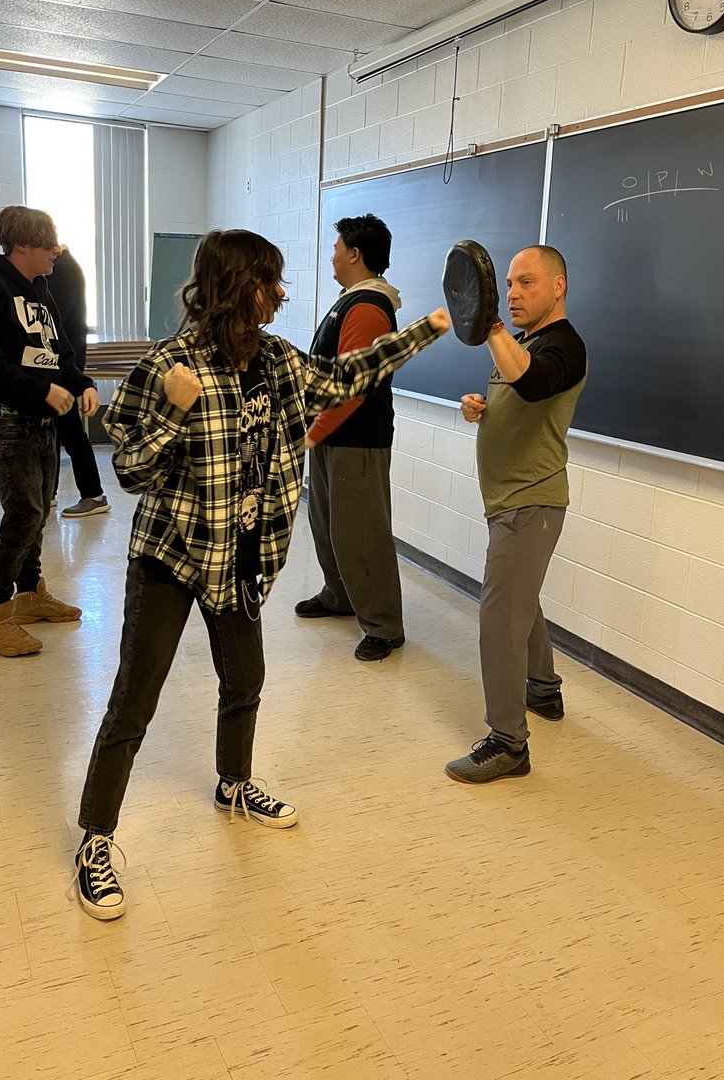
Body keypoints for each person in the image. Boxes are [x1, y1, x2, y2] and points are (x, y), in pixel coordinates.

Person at [71, 228, 449, 921]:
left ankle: (233, 784)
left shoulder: (277, 361)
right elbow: (129, 471)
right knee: (134, 699)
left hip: (242, 556)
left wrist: (424, 331)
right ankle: (95, 838)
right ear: (236, 288)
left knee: (245, 680)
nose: (281, 294)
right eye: (269, 281)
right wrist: (176, 410)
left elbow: (345, 378)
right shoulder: (167, 366)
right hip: (172, 556)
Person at [445, 245, 587, 784]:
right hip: (509, 499)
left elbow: (533, 383)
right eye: (507, 284)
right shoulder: (524, 342)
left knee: (500, 615)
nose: (511, 293)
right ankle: (544, 691)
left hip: (532, 500)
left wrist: (490, 325)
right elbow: (518, 400)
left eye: (526, 282)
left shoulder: (566, 345)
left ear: (558, 286)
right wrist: (478, 408)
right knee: (519, 601)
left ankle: (508, 744)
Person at [0, 206, 99, 658]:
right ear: (21, 245)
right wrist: (42, 391)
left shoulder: (40, 291)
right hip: (5, 421)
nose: (56, 250)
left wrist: (82, 384)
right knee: (22, 515)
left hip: (39, 422)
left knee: (38, 514)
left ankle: (30, 593)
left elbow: (58, 353)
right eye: (48, 243)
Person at [294, 214, 406, 662]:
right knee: (327, 524)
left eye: (337, 248)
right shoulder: (351, 300)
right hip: (332, 437)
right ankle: (339, 595)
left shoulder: (368, 306)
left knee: (360, 533)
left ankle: (384, 626)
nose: (333, 256)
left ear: (355, 253)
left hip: (356, 440)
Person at [43, 246, 110, 517]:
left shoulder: (59, 269)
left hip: (62, 364)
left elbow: (55, 324)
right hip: (64, 361)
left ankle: (93, 494)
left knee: (68, 428)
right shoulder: (65, 266)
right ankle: (51, 492)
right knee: (59, 427)